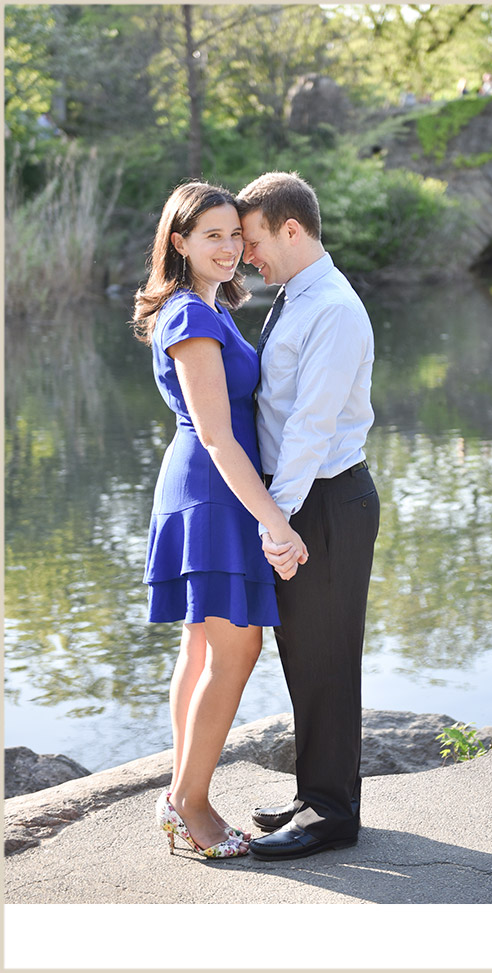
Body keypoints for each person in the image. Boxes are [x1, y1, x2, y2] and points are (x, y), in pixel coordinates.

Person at [133, 182, 309, 860]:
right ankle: (191, 803)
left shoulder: (207, 307)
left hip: (209, 489)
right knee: (237, 650)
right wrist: (275, 522)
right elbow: (216, 435)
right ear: (178, 241)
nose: (232, 247)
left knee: (202, 649)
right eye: (213, 236)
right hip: (212, 490)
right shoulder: (190, 317)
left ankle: (181, 790)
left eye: (237, 235)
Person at [235, 171, 379, 861]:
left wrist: (277, 519)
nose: (248, 254)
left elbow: (311, 426)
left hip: (324, 498)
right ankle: (314, 793)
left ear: (292, 229)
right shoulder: (295, 297)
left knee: (327, 654)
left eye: (255, 240)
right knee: (304, 651)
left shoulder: (333, 309)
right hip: (304, 499)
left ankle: (331, 813)